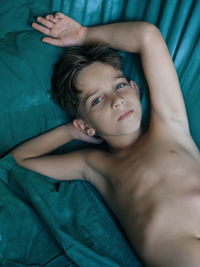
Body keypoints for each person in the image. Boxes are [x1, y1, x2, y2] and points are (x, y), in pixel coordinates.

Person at [10, 12, 200, 266]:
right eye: (97, 100)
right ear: (86, 123)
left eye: (119, 86)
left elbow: (147, 36)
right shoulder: (94, 165)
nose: (117, 100)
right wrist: (70, 132)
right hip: (181, 253)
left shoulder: (170, 124)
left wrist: (84, 35)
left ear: (135, 88)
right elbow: (18, 161)